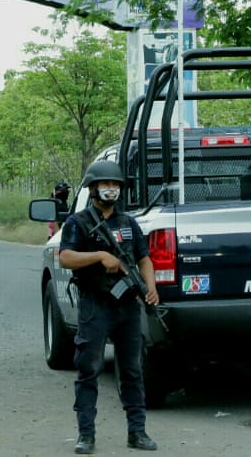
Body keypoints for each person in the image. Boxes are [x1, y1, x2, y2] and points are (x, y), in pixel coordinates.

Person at [58, 159, 159, 453]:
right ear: (93, 188)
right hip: (95, 305)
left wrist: (151, 288)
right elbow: (66, 257)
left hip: (127, 307)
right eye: (106, 184)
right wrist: (100, 256)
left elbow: (144, 259)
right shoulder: (78, 223)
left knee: (132, 370)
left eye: (115, 184)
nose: (111, 189)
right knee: (88, 369)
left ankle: (137, 432)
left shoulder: (128, 223)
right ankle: (86, 435)